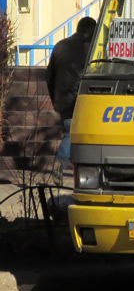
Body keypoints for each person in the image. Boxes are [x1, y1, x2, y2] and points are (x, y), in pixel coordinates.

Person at [46, 16, 96, 180]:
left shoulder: (60, 46)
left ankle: (68, 166)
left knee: (70, 134)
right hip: (82, 99)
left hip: (63, 98)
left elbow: (49, 75)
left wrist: (55, 98)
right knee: (77, 135)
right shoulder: (90, 49)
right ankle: (62, 164)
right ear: (90, 31)